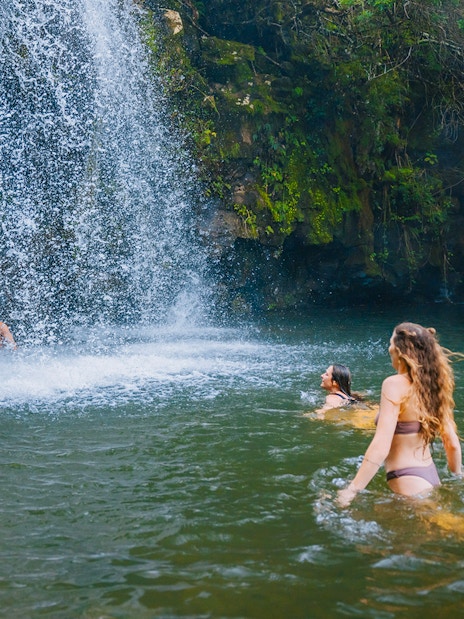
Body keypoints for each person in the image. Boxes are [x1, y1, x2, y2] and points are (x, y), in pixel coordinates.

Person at [338, 322, 462, 507]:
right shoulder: (436, 386)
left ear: (399, 351)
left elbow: (381, 445)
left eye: (391, 343)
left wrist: (352, 489)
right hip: (430, 475)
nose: (389, 348)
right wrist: (457, 476)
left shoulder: (393, 384)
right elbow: (451, 443)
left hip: (405, 477)